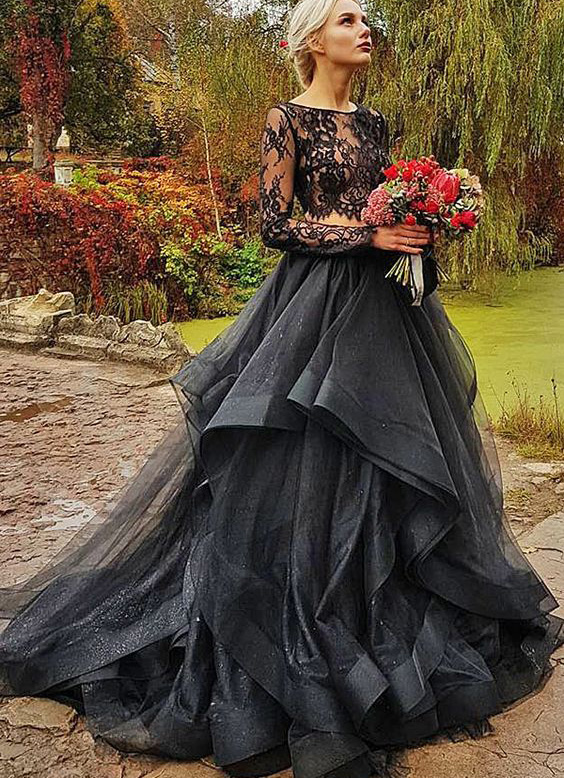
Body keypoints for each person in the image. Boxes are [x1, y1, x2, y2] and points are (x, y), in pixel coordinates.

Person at [0, 1, 563, 777]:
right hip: (311, 307)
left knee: (385, 459)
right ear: (310, 39)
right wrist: (369, 233)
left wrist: (418, 229)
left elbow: (380, 205)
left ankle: (374, 604)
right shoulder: (286, 119)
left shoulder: (375, 123)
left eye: (365, 19)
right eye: (346, 19)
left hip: (384, 313)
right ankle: (290, 620)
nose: (364, 29)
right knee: (300, 458)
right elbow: (276, 222)